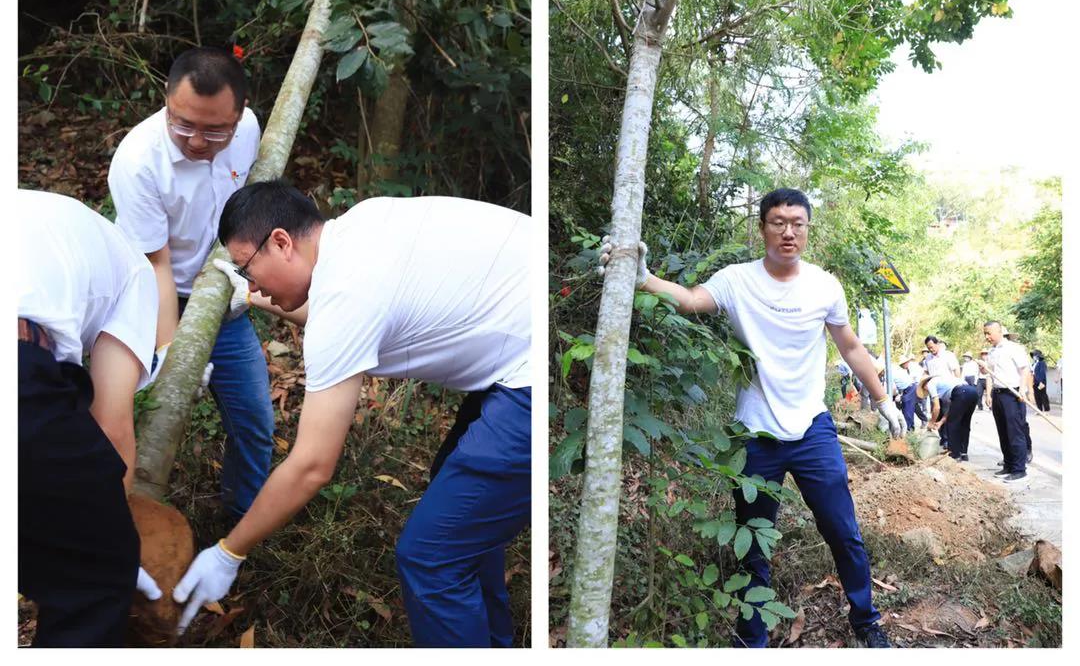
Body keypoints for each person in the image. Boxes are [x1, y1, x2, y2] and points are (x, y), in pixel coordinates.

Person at [173, 180, 531, 646]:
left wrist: (229, 551)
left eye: (248, 270)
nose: (251, 284)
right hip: (521, 335)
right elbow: (345, 313)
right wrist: (254, 299)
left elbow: (312, 466)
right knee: (461, 516)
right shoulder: (359, 227)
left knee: (433, 557)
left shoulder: (347, 295)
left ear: (281, 242)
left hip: (528, 373)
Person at [601, 187, 901, 648]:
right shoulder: (737, 280)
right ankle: (752, 639)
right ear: (762, 228)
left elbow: (850, 346)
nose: (788, 232)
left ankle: (866, 620)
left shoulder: (824, 285)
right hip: (755, 434)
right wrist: (643, 278)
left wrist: (882, 399)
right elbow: (690, 300)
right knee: (754, 543)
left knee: (843, 532)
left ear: (808, 230)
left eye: (797, 223)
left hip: (813, 429)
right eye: (778, 222)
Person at [108, 46, 273, 526]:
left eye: (215, 130)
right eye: (183, 124)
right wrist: (169, 351)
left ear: (239, 114)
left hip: (223, 295)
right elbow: (156, 265)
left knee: (255, 422)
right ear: (166, 100)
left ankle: (241, 523)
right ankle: (122, 527)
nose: (197, 141)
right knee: (134, 420)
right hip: (154, 298)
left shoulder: (248, 129)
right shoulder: (139, 161)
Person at [18, 189, 161, 646]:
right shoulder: (137, 274)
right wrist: (110, 534)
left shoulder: (42, 216)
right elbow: (111, 427)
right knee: (93, 580)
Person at [980, 319, 1034, 482]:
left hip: (1013, 394)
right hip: (998, 394)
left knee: (1015, 432)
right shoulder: (992, 352)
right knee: (1003, 432)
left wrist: (1023, 390)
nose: (987, 337)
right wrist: (988, 394)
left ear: (999, 331)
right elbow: (990, 374)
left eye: (989, 333)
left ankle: (1019, 469)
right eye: (985, 334)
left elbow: (1025, 369)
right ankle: (1009, 465)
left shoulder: (1014, 348)